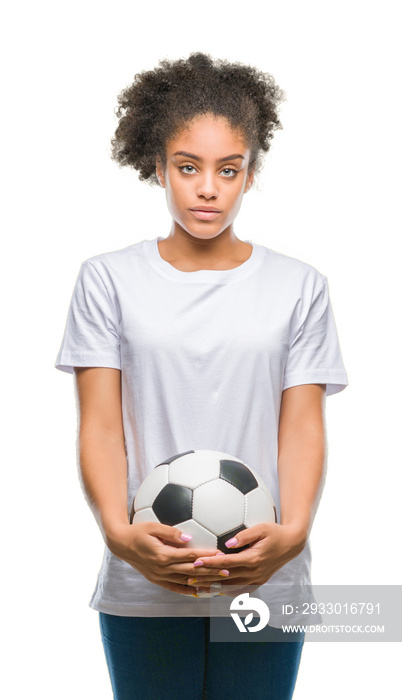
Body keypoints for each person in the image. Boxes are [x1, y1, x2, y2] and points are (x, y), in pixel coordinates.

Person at [55, 52, 348, 700]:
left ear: (250, 173)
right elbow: (101, 426)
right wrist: (119, 533)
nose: (207, 188)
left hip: (265, 582)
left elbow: (301, 427)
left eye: (228, 169)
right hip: (145, 578)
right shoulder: (109, 280)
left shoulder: (298, 287)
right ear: (158, 166)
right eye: (188, 167)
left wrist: (293, 531)